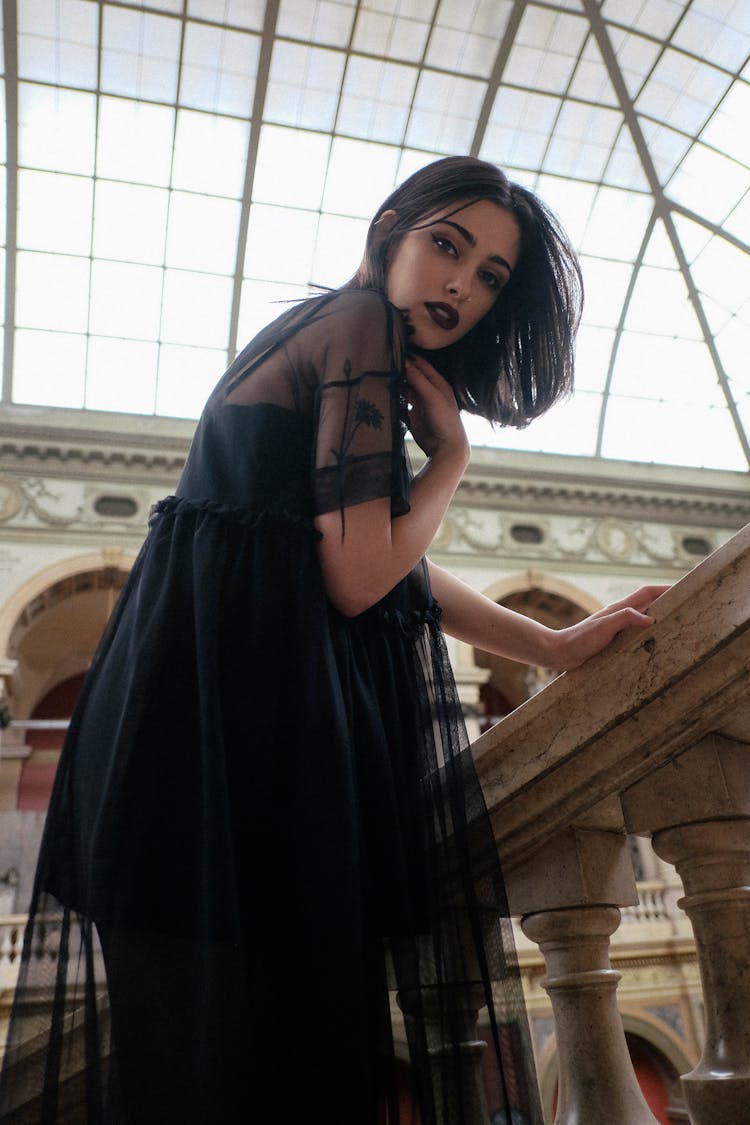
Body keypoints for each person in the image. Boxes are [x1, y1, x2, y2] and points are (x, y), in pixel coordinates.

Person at [0, 156, 665, 1125]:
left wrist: (552, 646)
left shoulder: (332, 333)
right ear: (388, 231)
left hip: (208, 761)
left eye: (488, 276)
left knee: (213, 1074)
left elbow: (376, 560)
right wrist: (452, 461)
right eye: (447, 245)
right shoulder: (356, 331)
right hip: (231, 768)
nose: (460, 285)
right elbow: (362, 577)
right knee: (257, 1077)